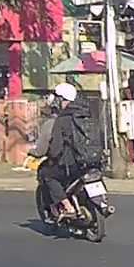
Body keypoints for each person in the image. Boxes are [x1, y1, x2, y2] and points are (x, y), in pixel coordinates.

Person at [42, 83, 94, 220]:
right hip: (92, 161)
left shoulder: (62, 119)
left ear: (61, 100)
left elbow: (56, 148)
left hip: (71, 164)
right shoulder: (87, 115)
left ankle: (67, 206)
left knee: (48, 175)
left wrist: (52, 157)